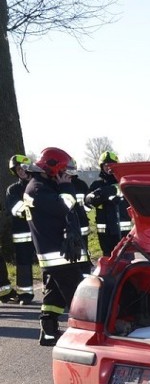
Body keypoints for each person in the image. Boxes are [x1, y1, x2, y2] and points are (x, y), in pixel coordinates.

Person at [23, 147, 89, 345]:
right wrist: (66, 188)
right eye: (64, 172)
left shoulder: (44, 186)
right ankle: (84, 337)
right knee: (77, 297)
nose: (67, 177)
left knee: (56, 295)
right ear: (53, 169)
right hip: (58, 256)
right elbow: (63, 207)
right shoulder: (37, 189)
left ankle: (49, 333)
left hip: (61, 252)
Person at [85, 150, 131, 257]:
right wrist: (101, 195)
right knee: (107, 259)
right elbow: (88, 203)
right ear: (101, 167)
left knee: (126, 258)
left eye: (111, 164)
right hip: (105, 232)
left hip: (123, 231)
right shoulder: (96, 184)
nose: (108, 167)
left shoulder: (123, 182)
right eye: (105, 165)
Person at [6, 154, 37, 304]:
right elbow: (15, 208)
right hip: (22, 234)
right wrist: (35, 209)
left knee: (47, 264)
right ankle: (25, 294)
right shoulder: (13, 189)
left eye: (23, 168)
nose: (21, 171)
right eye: (18, 169)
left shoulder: (40, 184)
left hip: (41, 233)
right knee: (23, 264)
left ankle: (53, 294)